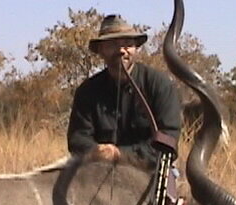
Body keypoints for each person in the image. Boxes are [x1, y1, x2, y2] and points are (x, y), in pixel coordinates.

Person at [67, 14, 181, 166]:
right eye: (113, 44)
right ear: (101, 50)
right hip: (99, 169)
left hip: (148, 170)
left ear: (135, 48)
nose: (121, 50)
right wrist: (95, 151)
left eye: (128, 44)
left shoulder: (160, 85)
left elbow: (168, 140)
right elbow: (77, 139)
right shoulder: (87, 91)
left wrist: (121, 155)